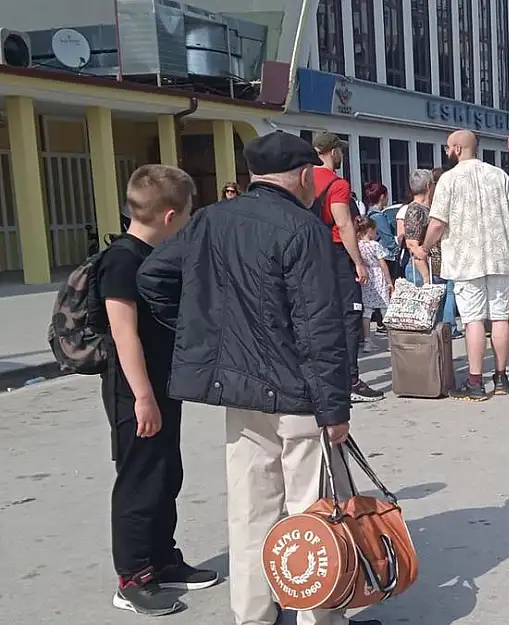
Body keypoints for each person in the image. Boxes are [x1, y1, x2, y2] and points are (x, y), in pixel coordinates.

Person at [137, 131, 381, 625]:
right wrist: (335, 410)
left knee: (250, 510)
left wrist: (206, 335)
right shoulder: (303, 228)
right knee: (311, 512)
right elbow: (320, 328)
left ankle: (253, 616)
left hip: (240, 389)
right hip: (299, 394)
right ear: (304, 175)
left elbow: (153, 278)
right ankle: (318, 616)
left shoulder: (210, 220)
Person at [99, 164, 215, 617]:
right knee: (139, 482)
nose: (188, 222)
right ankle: (132, 577)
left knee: (166, 473)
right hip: (135, 392)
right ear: (170, 217)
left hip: (162, 387)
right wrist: (143, 397)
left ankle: (163, 559)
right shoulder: (123, 260)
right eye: (188, 214)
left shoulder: (155, 255)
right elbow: (124, 334)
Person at [415, 130, 509, 401]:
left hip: (466, 260)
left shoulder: (449, 180)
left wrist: (425, 247)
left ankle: (475, 381)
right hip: (499, 257)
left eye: (447, 147)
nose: (445, 152)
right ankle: (501, 377)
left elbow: (438, 223)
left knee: (473, 319)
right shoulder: (499, 175)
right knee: (500, 316)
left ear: (457, 148)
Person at [312, 133, 383, 402]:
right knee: (350, 316)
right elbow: (343, 225)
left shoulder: (303, 179)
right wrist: (358, 263)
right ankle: (350, 379)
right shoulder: (337, 184)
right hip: (336, 253)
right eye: (339, 149)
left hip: (309, 253)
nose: (341, 154)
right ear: (332, 152)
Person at [404, 168, 460, 338]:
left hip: (436, 270)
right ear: (429, 186)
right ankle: (429, 359)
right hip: (424, 272)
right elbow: (413, 246)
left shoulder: (427, 208)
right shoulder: (415, 210)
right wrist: (427, 278)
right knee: (427, 322)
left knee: (437, 323)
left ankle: (439, 359)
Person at [356, 217, 393, 350]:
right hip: (378, 276)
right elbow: (383, 264)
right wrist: (389, 281)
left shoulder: (358, 245)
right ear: (370, 230)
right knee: (385, 309)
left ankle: (367, 341)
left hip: (366, 277)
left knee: (367, 310)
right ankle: (391, 342)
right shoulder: (375, 245)